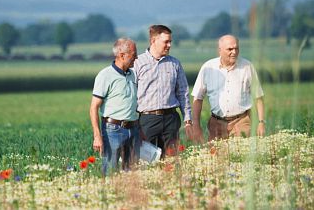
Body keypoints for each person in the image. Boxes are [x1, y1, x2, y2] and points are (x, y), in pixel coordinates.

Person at [188, 34, 265, 142]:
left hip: (242, 121)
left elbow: (258, 98)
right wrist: (196, 125)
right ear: (220, 50)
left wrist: (261, 122)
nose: (234, 52)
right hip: (216, 124)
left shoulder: (247, 67)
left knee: (241, 156)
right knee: (217, 157)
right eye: (230, 49)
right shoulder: (208, 68)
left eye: (236, 48)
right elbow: (198, 98)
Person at [134, 24, 193, 156]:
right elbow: (131, 94)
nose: (169, 45)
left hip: (171, 119)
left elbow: (183, 93)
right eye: (166, 42)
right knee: (146, 161)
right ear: (153, 41)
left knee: (171, 161)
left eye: (170, 41)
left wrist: (188, 120)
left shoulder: (175, 64)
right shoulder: (138, 63)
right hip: (147, 120)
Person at [90, 37, 139, 175]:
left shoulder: (133, 74)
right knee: (111, 172)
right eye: (134, 54)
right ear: (122, 55)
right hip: (113, 131)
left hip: (134, 129)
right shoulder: (105, 75)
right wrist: (97, 136)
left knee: (132, 174)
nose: (136, 57)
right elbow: (94, 107)